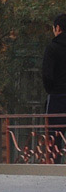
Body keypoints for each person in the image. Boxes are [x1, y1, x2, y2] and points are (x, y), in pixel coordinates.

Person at [41, 13, 66, 160]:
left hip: (57, 98)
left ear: (57, 28)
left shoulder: (52, 48)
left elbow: (47, 75)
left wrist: (52, 90)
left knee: (54, 138)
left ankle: (54, 168)